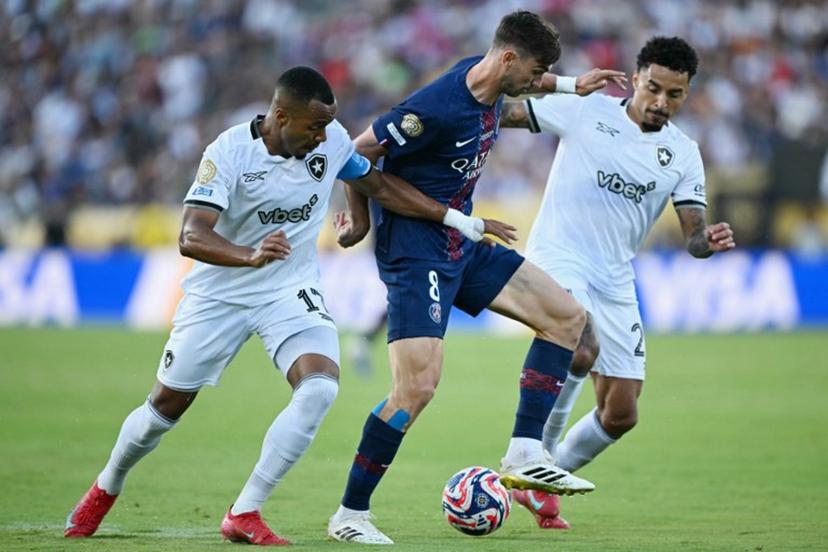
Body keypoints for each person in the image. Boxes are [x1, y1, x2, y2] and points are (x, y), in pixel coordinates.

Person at [63, 66, 514, 545]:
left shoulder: (331, 142)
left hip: (289, 289)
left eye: (327, 126)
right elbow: (190, 236)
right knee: (164, 408)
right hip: (220, 293)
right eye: (314, 127)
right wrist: (249, 255)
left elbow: (376, 185)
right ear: (281, 116)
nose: (323, 137)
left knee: (319, 389)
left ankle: (245, 511)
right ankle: (107, 484)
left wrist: (455, 220)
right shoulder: (228, 152)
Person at [326, 11, 626, 545]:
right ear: (509, 59)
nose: (537, 80)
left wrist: (568, 85)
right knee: (415, 389)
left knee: (568, 319)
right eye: (535, 71)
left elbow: (509, 106)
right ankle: (350, 514)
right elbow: (357, 153)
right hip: (416, 252)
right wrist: (361, 220)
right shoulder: (435, 107)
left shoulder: (485, 82)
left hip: (460, 242)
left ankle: (525, 452)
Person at [499, 36, 736, 529]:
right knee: (579, 344)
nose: (661, 102)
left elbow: (693, 236)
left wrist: (707, 241)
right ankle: (532, 457)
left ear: (687, 93)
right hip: (558, 256)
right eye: (654, 88)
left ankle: (541, 482)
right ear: (635, 79)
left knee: (621, 413)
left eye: (675, 94)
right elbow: (504, 112)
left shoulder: (683, 153)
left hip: (614, 278)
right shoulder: (586, 110)